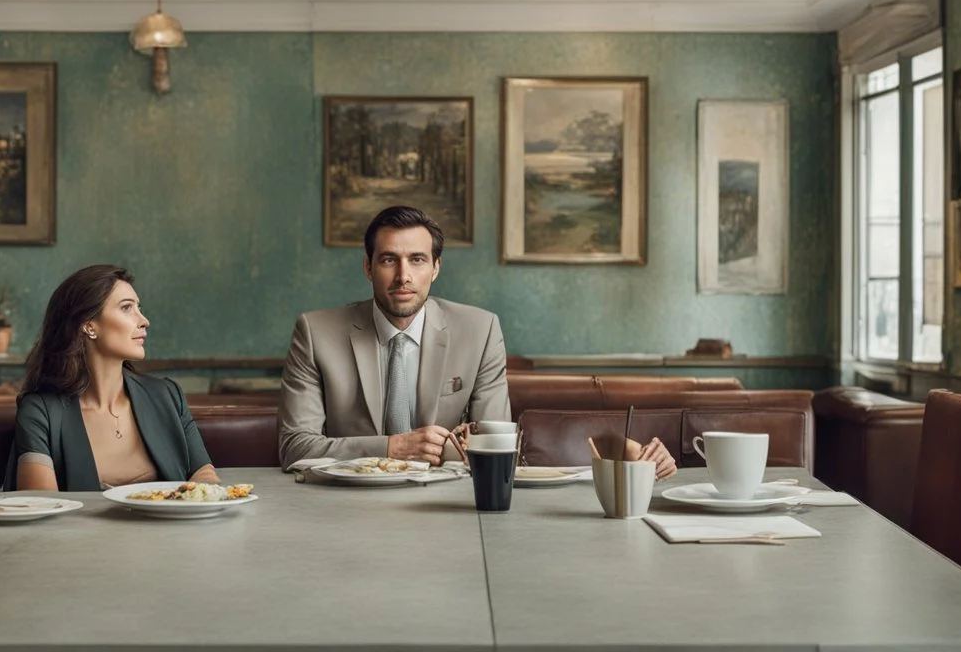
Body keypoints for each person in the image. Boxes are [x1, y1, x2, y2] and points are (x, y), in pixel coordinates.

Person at [277, 205, 676, 479]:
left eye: (417, 260)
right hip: (345, 507)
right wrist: (390, 448)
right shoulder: (316, 333)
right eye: (388, 260)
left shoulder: (480, 330)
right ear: (368, 267)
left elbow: (498, 444)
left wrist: (623, 454)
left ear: (435, 268)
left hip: (446, 509)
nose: (403, 276)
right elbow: (295, 448)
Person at [3, 264, 219, 491]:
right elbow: (41, 505)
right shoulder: (41, 411)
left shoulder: (166, 395)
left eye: (139, 307)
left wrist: (205, 495)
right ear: (88, 326)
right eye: (127, 308)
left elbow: (203, 473)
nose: (144, 320)